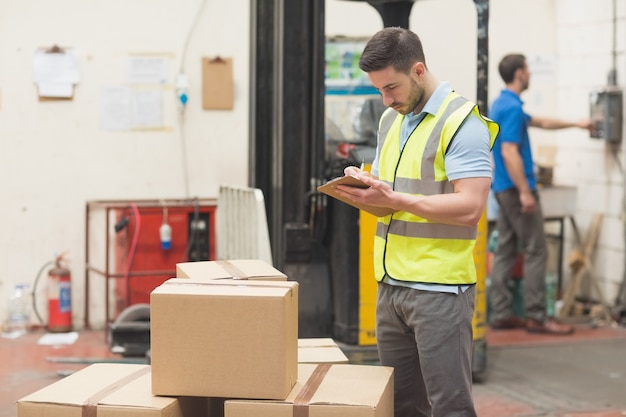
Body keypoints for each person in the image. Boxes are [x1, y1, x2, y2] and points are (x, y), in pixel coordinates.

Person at [335, 27, 499, 417]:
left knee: (450, 407)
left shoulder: (462, 123)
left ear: (419, 70)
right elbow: (394, 195)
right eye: (378, 91)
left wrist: (394, 198)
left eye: (391, 87)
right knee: (400, 407)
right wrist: (366, 189)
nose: (386, 100)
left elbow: (470, 206)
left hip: (440, 291)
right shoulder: (392, 121)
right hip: (391, 287)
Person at [488, 53, 593, 334]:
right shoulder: (510, 108)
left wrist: (577, 124)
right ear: (520, 73)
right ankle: (536, 315)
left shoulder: (504, 104)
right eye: (528, 69)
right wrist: (525, 192)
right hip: (515, 189)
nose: (530, 74)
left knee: (506, 249)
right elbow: (510, 152)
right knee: (536, 249)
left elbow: (541, 122)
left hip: (501, 188)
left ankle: (501, 312)